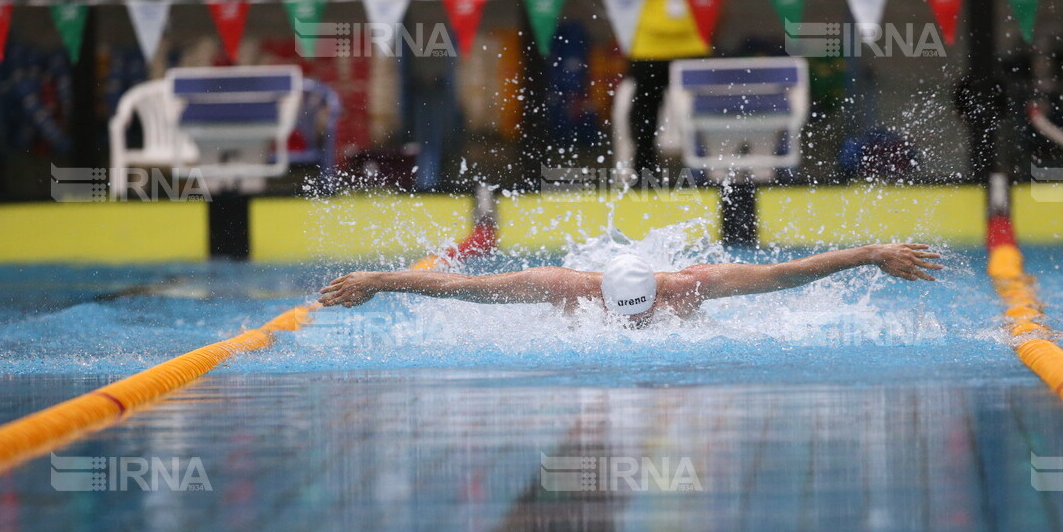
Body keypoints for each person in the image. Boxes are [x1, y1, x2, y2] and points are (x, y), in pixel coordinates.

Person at [317, 243, 942, 326]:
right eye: (626, 314)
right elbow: (466, 287)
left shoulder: (691, 286)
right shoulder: (562, 286)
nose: (635, 324)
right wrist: (381, 279)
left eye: (642, 311)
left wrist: (874, 254)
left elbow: (786, 274)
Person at [618, 0, 730, 178]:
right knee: (644, 109)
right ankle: (644, 171)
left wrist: (712, 36)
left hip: (694, 41)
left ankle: (708, 169)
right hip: (648, 43)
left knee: (701, 108)